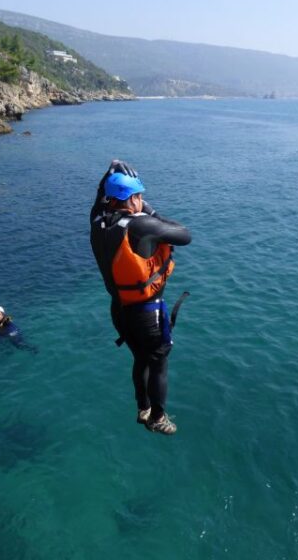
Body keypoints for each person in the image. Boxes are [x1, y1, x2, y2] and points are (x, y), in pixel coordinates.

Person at [90, 159, 192, 435]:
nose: (143, 200)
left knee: (140, 358)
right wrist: (149, 210)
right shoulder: (141, 226)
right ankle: (158, 417)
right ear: (131, 198)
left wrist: (109, 173)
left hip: (120, 310)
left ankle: (143, 407)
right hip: (147, 312)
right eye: (139, 195)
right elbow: (184, 235)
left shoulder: (98, 220)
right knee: (159, 362)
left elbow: (100, 196)